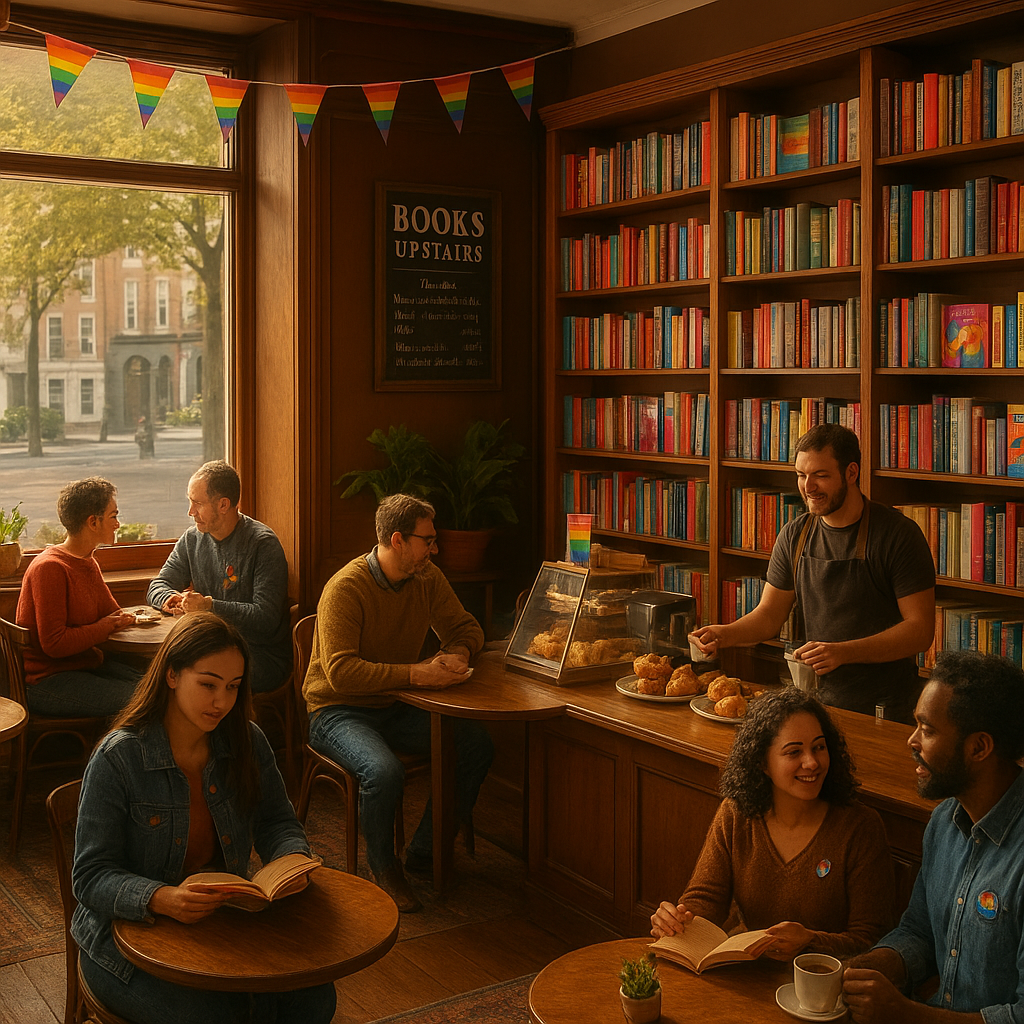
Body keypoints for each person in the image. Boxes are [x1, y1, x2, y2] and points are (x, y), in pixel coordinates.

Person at [73, 612, 337, 1024]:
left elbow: (277, 823)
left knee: (314, 998)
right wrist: (162, 898)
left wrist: (291, 862)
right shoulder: (119, 757)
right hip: (124, 937)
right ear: (173, 675)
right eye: (208, 685)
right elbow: (90, 877)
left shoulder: (247, 741)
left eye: (233, 687)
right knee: (216, 1015)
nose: (222, 702)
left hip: (218, 923)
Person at [303, 493, 493, 914]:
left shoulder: (427, 578)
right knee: (383, 771)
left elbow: (466, 628)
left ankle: (425, 853)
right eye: (428, 540)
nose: (435, 548)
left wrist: (459, 652)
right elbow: (341, 673)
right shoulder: (346, 587)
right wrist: (415, 673)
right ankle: (383, 868)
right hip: (336, 709)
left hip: (396, 702)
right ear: (398, 540)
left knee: (476, 744)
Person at [691, 423, 935, 722]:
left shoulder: (898, 535)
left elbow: (920, 631)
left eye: (820, 475)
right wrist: (723, 634)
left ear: (851, 473)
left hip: (884, 709)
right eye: (801, 475)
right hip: (815, 704)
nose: (808, 487)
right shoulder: (796, 534)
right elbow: (768, 617)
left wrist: (843, 652)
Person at [842, 650, 1024, 1023]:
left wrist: (906, 1015)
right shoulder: (944, 820)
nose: (911, 741)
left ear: (979, 747)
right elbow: (919, 931)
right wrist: (875, 964)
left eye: (928, 729)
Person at [651, 686, 895, 959]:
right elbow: (705, 900)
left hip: (825, 986)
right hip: (748, 973)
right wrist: (678, 921)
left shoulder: (860, 826)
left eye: (819, 747)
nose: (812, 762)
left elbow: (872, 939)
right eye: (794, 752)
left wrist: (811, 941)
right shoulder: (736, 814)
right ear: (762, 763)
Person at [147, 460, 291, 693]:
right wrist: (169, 598)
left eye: (198, 504)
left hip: (259, 655)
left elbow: (266, 620)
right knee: (163, 670)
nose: (190, 512)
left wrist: (209, 607)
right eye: (190, 502)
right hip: (210, 646)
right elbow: (158, 585)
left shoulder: (262, 544)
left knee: (185, 675)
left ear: (224, 504)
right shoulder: (192, 539)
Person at [15, 477, 141, 716]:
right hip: (49, 680)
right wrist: (107, 625)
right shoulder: (50, 568)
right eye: (113, 516)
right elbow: (55, 644)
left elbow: (112, 615)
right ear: (93, 522)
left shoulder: (86, 560)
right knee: (148, 700)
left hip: (86, 666)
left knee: (160, 686)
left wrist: (126, 619)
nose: (118, 524)